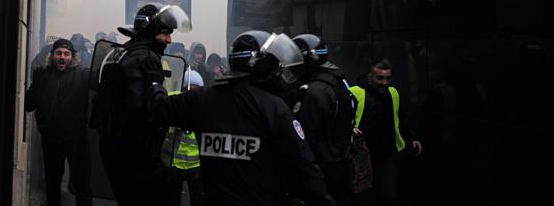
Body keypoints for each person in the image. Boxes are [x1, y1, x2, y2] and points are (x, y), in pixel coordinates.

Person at [147, 31, 336, 205]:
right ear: (263, 65)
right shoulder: (274, 108)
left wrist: (154, 81)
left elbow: (159, 109)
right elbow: (304, 167)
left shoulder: (201, 99)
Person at [89, 3, 191, 206]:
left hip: (110, 145)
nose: (169, 39)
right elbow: (143, 111)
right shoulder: (146, 58)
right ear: (152, 31)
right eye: (165, 33)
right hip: (135, 151)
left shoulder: (116, 53)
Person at [291, 34, 359, 206]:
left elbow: (303, 139)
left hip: (323, 168)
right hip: (343, 163)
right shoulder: (339, 81)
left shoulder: (313, 91)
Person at [24, 39, 92, 206]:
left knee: (82, 181)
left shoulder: (83, 75)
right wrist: (37, 83)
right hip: (51, 138)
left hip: (76, 139)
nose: (62, 57)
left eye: (66, 54)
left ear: (73, 57)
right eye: (59, 53)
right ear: (52, 55)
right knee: (52, 181)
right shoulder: (43, 75)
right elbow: (29, 105)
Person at [350, 59, 422, 206]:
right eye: (380, 78)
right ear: (370, 77)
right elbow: (340, 117)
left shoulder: (392, 93)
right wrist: (348, 128)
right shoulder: (355, 92)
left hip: (385, 153)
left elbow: (401, 117)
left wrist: (411, 137)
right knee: (363, 196)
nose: (384, 82)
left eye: (388, 78)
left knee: (388, 195)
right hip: (362, 154)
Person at [161, 69, 205, 206]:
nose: (192, 92)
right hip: (173, 163)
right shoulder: (173, 99)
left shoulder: (173, 99)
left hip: (194, 165)